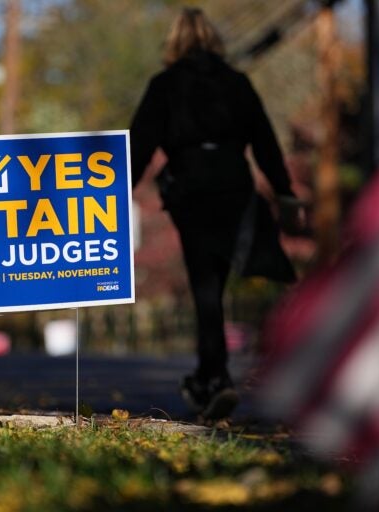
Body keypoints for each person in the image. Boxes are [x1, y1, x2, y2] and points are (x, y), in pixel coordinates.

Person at [130, 7, 298, 420]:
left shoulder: (165, 85)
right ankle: (213, 375)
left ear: (174, 42)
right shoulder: (236, 83)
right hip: (234, 188)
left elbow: (140, 145)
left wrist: (118, 193)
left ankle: (215, 376)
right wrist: (284, 190)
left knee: (205, 286)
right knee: (216, 284)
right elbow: (263, 138)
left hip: (191, 192)